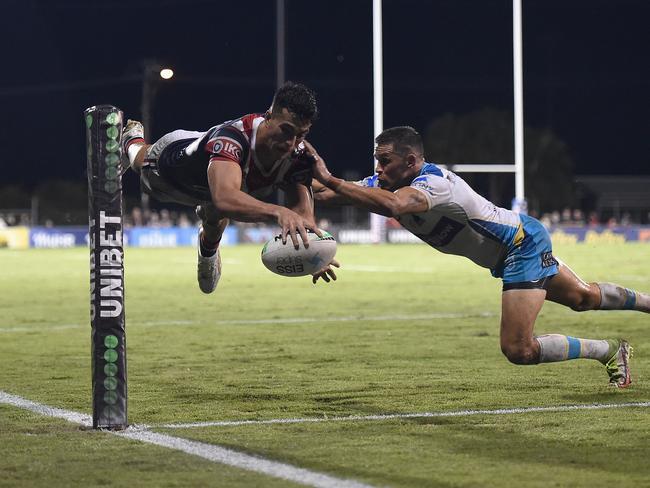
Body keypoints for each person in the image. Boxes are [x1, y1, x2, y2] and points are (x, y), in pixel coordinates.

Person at [306, 126, 650, 388]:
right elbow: (323, 192)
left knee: (518, 349)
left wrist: (330, 179)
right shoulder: (389, 183)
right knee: (584, 297)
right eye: (377, 161)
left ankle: (604, 349)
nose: (378, 169)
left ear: (410, 162)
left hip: (520, 244)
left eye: (385, 161)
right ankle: (619, 339)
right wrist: (293, 173)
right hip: (511, 250)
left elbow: (394, 205)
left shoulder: (434, 184)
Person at [120, 81, 338, 293]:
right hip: (171, 172)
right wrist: (278, 212)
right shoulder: (233, 138)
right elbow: (225, 197)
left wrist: (312, 256)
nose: (291, 143)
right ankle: (131, 139)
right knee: (139, 162)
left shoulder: (298, 155)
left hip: (219, 187)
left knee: (219, 208)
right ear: (268, 117)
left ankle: (208, 249)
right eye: (286, 131)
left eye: (300, 135)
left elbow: (302, 214)